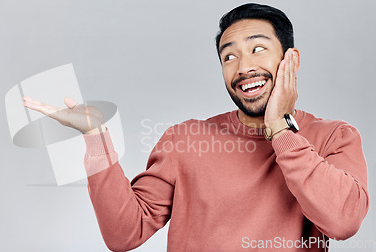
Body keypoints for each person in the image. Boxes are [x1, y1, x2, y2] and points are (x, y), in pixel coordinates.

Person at [22, 3, 369, 251]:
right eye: (229, 57)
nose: (243, 67)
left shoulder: (334, 137)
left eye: (258, 49)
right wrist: (96, 137)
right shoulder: (185, 139)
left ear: (290, 59)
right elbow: (124, 234)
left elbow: (343, 222)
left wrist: (279, 128)